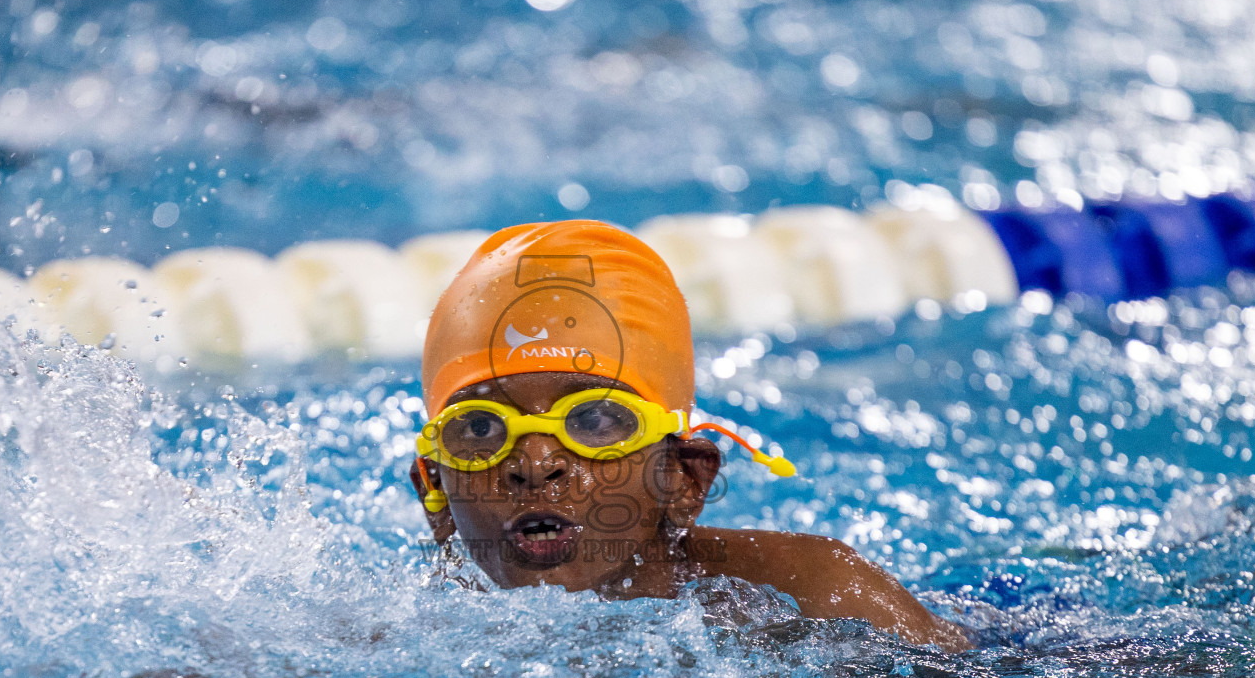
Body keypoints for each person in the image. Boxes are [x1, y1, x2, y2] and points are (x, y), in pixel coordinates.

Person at [408, 219, 971, 652]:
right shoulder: (405, 633)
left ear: (683, 480)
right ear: (434, 489)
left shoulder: (815, 599)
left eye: (595, 420)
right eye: (479, 427)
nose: (534, 462)